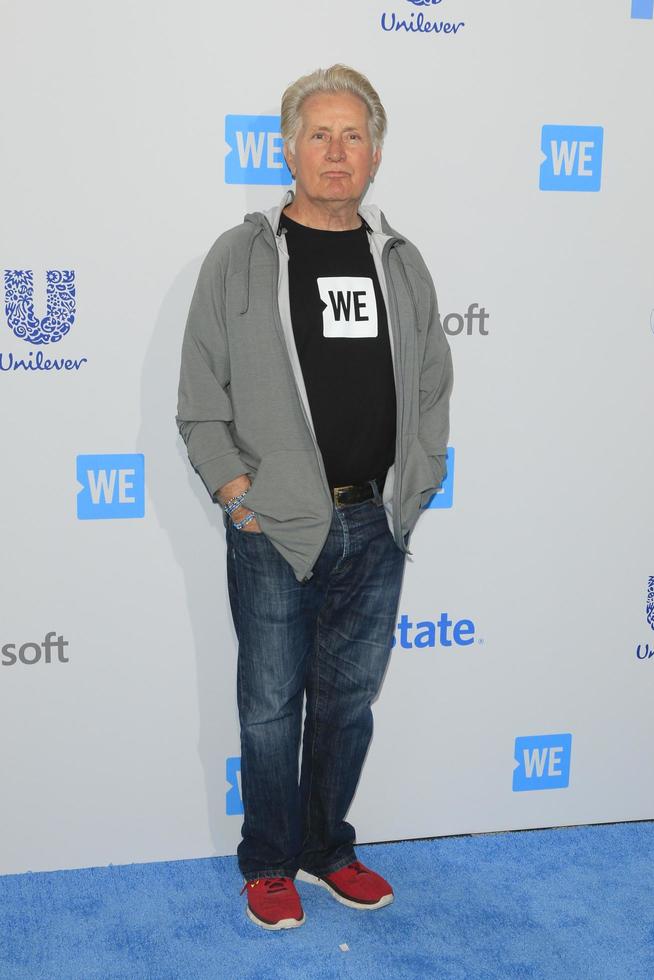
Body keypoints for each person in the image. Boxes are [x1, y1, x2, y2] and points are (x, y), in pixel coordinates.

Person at [176, 64, 453, 931]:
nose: (337, 152)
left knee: (346, 704)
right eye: (319, 134)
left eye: (353, 136)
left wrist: (419, 480)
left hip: (376, 522)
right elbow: (199, 396)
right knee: (267, 708)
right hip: (273, 526)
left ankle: (328, 850)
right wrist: (236, 490)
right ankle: (267, 862)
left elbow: (435, 383)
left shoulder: (399, 261)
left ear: (375, 154)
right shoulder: (241, 256)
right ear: (289, 148)